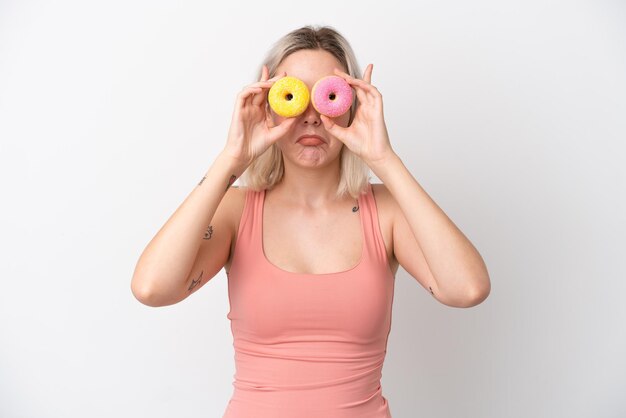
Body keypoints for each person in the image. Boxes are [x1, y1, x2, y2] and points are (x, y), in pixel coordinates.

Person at [131, 25, 491, 418]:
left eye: (328, 96)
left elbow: (467, 289)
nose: (311, 118)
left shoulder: (384, 212)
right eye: (293, 96)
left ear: (351, 105)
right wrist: (230, 161)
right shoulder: (236, 210)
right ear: (268, 105)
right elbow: (152, 289)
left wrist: (384, 159)